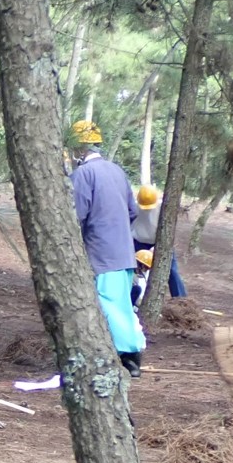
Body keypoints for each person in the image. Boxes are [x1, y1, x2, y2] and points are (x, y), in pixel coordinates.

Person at [68, 120, 146, 376]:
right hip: (124, 252)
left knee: (109, 304)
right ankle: (132, 350)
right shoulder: (117, 171)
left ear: (80, 148)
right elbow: (133, 211)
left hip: (102, 253)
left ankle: (129, 358)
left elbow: (76, 215)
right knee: (123, 304)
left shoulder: (83, 175)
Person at [129, 183, 187, 298]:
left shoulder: (163, 209)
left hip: (159, 243)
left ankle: (180, 300)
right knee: (130, 270)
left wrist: (159, 247)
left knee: (171, 271)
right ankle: (130, 297)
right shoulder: (133, 208)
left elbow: (169, 231)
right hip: (137, 243)